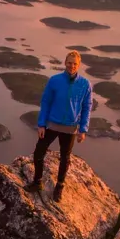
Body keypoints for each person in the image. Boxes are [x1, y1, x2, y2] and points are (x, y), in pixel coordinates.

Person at [23, 50, 93, 200]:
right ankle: (37, 182)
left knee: (65, 158)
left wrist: (83, 129)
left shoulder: (85, 84)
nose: (71, 66)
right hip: (52, 124)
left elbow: (87, 107)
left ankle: (59, 186)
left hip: (70, 127)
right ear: (65, 63)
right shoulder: (54, 80)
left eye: (75, 64)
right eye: (69, 63)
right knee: (38, 152)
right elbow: (46, 102)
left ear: (79, 65)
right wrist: (41, 124)